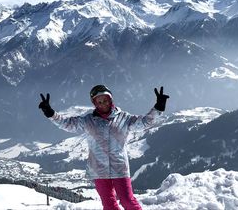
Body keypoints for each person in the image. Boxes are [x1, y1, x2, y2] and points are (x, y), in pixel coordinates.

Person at [38, 85, 169, 210]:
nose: (102, 104)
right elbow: (68, 124)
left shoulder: (124, 118)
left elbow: (144, 122)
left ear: (110, 99)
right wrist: (50, 113)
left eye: (105, 100)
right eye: (98, 102)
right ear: (94, 104)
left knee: (127, 201)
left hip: (120, 168)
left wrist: (158, 107)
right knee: (109, 205)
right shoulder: (88, 120)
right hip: (99, 170)